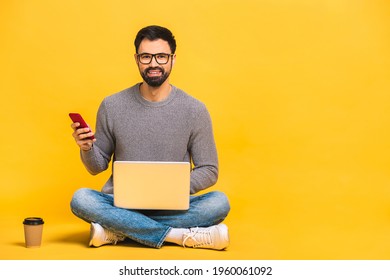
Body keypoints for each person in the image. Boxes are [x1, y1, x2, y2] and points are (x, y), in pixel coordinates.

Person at [70, 25, 230, 250]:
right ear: (137, 59)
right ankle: (177, 235)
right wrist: (87, 148)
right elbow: (97, 167)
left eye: (161, 56)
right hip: (122, 206)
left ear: (173, 59)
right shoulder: (112, 105)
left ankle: (119, 230)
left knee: (219, 203)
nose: (154, 63)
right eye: (146, 56)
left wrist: (170, 188)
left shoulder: (195, 110)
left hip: (173, 206)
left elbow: (209, 169)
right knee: (81, 199)